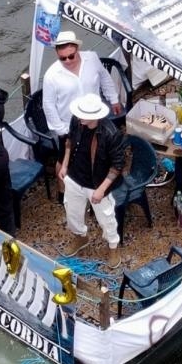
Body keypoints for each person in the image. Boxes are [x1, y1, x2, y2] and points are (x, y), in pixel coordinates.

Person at [57, 93, 127, 258]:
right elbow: (69, 141)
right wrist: (65, 165)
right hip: (74, 177)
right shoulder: (77, 120)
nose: (79, 117)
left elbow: (117, 165)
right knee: (72, 212)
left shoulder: (111, 133)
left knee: (106, 218)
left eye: (84, 115)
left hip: (96, 183)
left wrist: (101, 190)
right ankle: (80, 237)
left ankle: (113, 246)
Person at [41, 30, 122, 144]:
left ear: (77, 49)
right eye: (62, 58)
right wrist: (61, 130)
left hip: (96, 118)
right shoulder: (51, 76)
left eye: (71, 56)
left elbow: (105, 78)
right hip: (70, 126)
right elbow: (48, 105)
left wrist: (113, 99)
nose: (67, 61)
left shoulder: (92, 58)